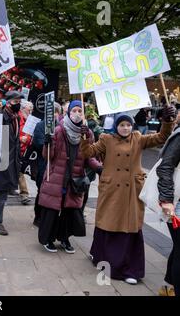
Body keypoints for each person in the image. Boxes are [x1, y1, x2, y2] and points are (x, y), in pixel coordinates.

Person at [80, 104, 177, 285]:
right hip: (111, 191)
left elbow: (162, 137)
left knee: (130, 227)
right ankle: (106, 262)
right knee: (108, 225)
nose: (126, 128)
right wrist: (85, 137)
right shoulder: (106, 139)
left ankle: (131, 269)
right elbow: (87, 152)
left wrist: (167, 120)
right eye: (122, 124)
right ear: (116, 126)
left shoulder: (138, 138)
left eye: (128, 125)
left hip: (132, 191)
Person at [38, 100, 101, 254]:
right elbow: (48, 156)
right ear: (68, 112)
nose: (77, 114)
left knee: (70, 211)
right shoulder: (59, 130)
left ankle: (65, 239)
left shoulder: (87, 134)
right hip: (57, 177)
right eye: (74, 111)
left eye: (80, 111)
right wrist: (48, 143)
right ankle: (48, 239)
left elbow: (89, 156)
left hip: (75, 179)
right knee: (52, 211)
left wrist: (99, 167)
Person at [0, 91, 23, 236]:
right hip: (0, 161)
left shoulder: (14, 117)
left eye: (19, 101)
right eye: (16, 102)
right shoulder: (0, 117)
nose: (18, 104)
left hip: (10, 161)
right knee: (0, 192)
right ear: (8, 103)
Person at [157, 110, 180, 296]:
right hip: (177, 204)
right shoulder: (179, 136)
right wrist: (167, 200)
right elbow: (165, 167)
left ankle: (168, 286)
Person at [31, 102, 62, 226]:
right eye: (51, 112)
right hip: (43, 164)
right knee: (42, 191)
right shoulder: (40, 125)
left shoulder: (61, 126)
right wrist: (47, 141)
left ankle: (49, 218)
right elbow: (36, 144)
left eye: (56, 112)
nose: (53, 114)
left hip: (56, 166)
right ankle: (38, 216)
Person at [17, 101, 33, 205]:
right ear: (23, 109)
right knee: (19, 172)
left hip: (25, 150)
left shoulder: (29, 119)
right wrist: (19, 139)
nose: (31, 111)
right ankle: (24, 194)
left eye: (32, 109)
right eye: (29, 109)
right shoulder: (17, 118)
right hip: (17, 149)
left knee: (19, 171)